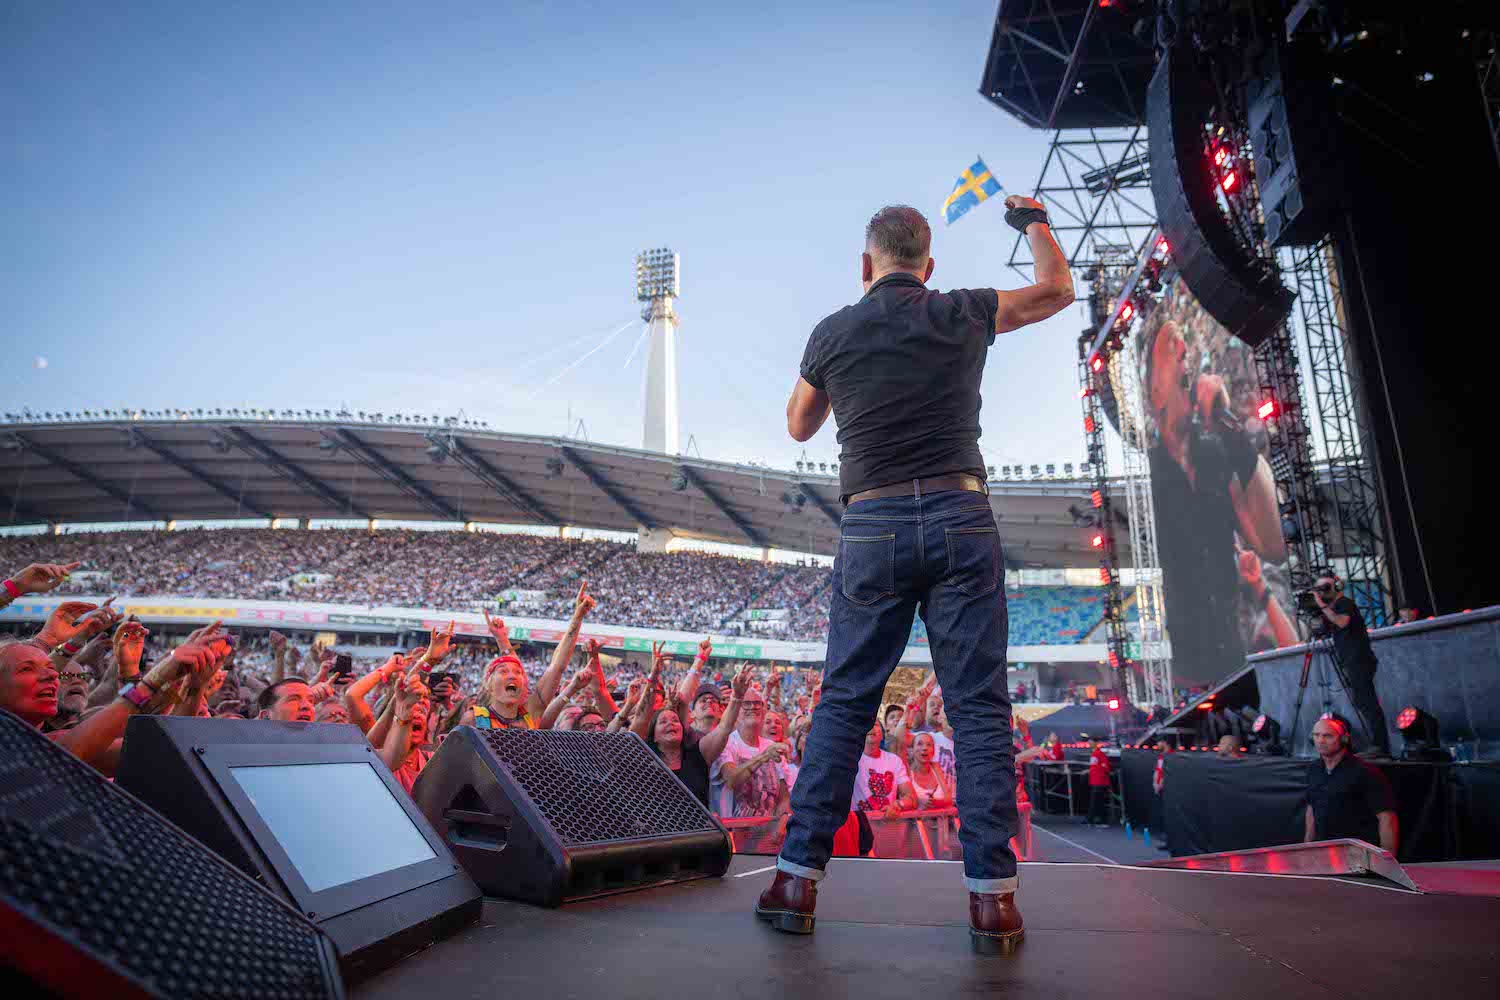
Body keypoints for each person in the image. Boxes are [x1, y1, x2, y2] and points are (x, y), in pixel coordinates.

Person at [762, 192, 1074, 954]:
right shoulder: (960, 309)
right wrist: (1031, 220)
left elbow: (799, 423)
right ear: (927, 268)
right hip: (961, 515)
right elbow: (1058, 289)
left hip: (871, 524)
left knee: (844, 704)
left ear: (865, 266)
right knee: (977, 711)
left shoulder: (834, 329)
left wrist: (849, 378)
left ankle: (798, 880)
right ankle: (993, 902)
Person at [1141, 315, 1296, 678]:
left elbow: (1271, 546)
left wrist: (1228, 428)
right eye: (1173, 351)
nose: (1185, 357)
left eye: (1186, 352)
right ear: (1154, 390)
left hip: (1238, 658)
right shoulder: (1152, 472)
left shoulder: (1215, 449)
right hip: (1191, 665)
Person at [639, 663, 753, 808]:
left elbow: (724, 728)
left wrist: (737, 696)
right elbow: (640, 718)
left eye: (675, 720)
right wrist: (653, 678)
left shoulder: (697, 754)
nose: (671, 724)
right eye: (663, 722)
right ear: (653, 735)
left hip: (697, 829)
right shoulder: (644, 759)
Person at [1311, 571, 1391, 756]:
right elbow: (1326, 628)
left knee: (1367, 703)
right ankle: (1377, 745)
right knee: (1362, 702)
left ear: (1337, 586)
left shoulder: (1344, 603)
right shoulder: (1334, 607)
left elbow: (1342, 622)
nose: (1323, 592)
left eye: (1326, 587)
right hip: (1349, 661)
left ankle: (1380, 746)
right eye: (1320, 588)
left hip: (1359, 660)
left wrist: (1322, 605)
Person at [1304, 717, 1398, 854]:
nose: (1320, 741)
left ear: (1344, 740)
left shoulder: (1365, 771)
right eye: (1316, 735)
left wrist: (1388, 860)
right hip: (1324, 854)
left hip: (1358, 854)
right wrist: (1307, 847)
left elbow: (1387, 818)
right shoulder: (1313, 770)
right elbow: (1311, 809)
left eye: (1327, 736)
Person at [710, 686, 791, 820]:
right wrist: (764, 756)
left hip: (766, 836)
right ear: (736, 710)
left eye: (757, 703)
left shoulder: (771, 746)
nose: (752, 707)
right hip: (731, 834)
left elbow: (784, 797)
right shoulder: (725, 743)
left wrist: (782, 822)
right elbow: (731, 780)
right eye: (746, 703)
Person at [853, 722, 916, 815]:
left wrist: (897, 805)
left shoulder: (894, 760)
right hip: (859, 826)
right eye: (868, 724)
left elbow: (911, 798)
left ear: (882, 735)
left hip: (888, 825)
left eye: (876, 724)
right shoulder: (850, 759)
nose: (871, 727)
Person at [907, 732, 954, 810]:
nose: (925, 748)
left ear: (934, 751)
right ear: (912, 750)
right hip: (915, 821)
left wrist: (935, 803)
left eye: (929, 745)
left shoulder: (936, 767)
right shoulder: (906, 770)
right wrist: (918, 802)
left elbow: (949, 799)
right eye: (919, 744)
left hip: (940, 820)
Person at [1087, 739, 1111, 827]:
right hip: (1094, 780)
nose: (1089, 743)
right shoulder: (1094, 754)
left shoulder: (1100, 754)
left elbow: (1106, 767)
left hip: (1100, 781)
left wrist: (1100, 773)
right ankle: (1091, 819)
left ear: (1096, 743)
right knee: (1095, 801)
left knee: (1099, 801)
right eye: (1089, 742)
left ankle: (1102, 821)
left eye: (1091, 741)